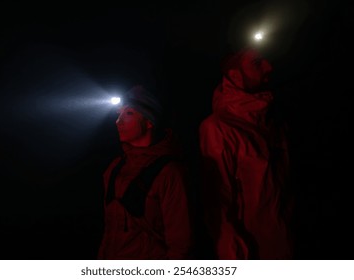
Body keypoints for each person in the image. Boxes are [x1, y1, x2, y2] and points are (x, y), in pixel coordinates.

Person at [198, 47, 294, 259]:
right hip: (252, 251)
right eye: (257, 63)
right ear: (235, 76)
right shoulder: (218, 128)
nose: (269, 67)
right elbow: (217, 195)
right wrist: (228, 243)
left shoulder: (272, 123)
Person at [97, 85, 192, 259]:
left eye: (129, 114)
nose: (118, 121)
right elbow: (109, 231)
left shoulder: (169, 172)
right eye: (119, 114)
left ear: (149, 122)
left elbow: (180, 243)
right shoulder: (115, 168)